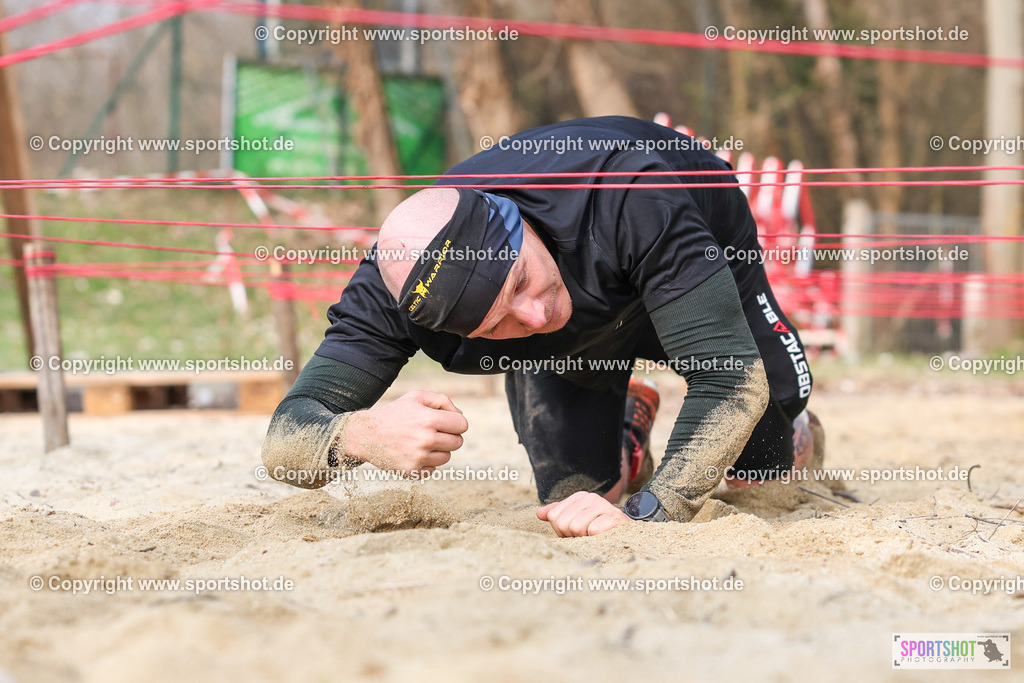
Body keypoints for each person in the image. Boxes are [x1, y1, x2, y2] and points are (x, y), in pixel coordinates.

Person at [261, 115, 820, 537]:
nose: (534, 313)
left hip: (694, 239)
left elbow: (730, 381)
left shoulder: (629, 193)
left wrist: (653, 513)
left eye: (520, 279)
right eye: (498, 320)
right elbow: (284, 442)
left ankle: (794, 431)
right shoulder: (387, 294)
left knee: (760, 462)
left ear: (518, 220)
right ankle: (627, 424)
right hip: (576, 338)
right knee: (578, 501)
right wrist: (361, 434)